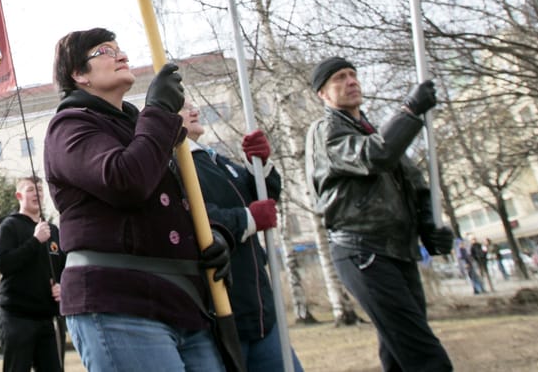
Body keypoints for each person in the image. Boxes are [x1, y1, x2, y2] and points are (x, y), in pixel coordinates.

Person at [42, 28, 231, 372]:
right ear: (79, 74)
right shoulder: (68, 128)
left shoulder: (142, 130)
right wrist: (158, 110)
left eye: (119, 48)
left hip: (183, 302)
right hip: (119, 302)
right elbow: (126, 180)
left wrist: (213, 236)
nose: (121, 55)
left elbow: (175, 202)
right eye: (104, 51)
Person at [306, 57, 454, 372]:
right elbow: (376, 155)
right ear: (322, 93)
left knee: (399, 352)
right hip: (362, 251)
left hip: (398, 250)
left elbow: (414, 183)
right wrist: (410, 112)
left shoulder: (371, 128)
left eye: (352, 75)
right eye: (340, 78)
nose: (351, 82)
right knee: (424, 355)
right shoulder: (326, 131)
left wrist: (429, 227)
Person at [181, 104, 304, 372]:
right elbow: (194, 219)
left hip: (260, 308)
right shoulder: (176, 165)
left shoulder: (215, 160)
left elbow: (262, 198)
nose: (193, 109)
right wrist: (247, 219)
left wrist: (258, 166)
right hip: (221, 310)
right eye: (182, 107)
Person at [0, 177, 61, 372]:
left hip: (45, 317)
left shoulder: (53, 231)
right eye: (31, 190)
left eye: (40, 190)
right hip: (17, 316)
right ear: (19, 196)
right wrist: (35, 240)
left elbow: (62, 267)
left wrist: (61, 286)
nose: (37, 193)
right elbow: (5, 264)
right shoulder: (9, 226)